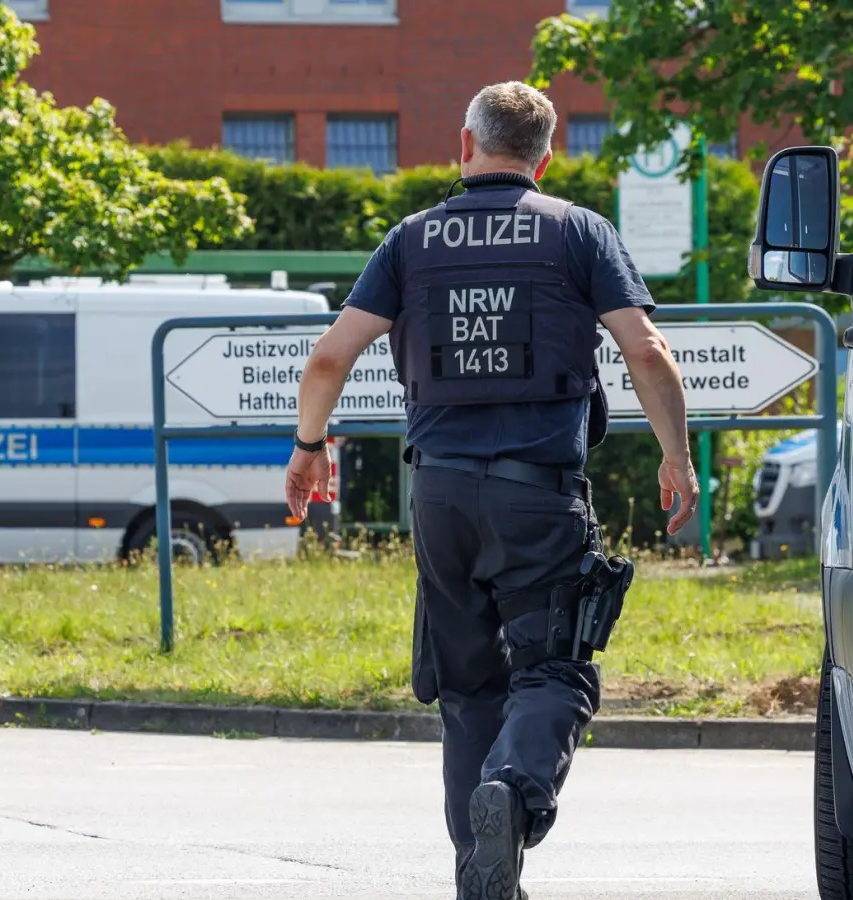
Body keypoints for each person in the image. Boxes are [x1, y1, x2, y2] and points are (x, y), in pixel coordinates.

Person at [281, 81, 697, 900]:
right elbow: (645, 351)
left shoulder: (410, 240)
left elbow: (330, 356)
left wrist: (308, 448)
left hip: (435, 499)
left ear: (463, 146)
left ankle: (480, 873)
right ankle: (511, 789)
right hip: (536, 497)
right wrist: (675, 457)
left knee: (467, 684)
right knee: (556, 670)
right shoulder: (577, 230)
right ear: (545, 159)